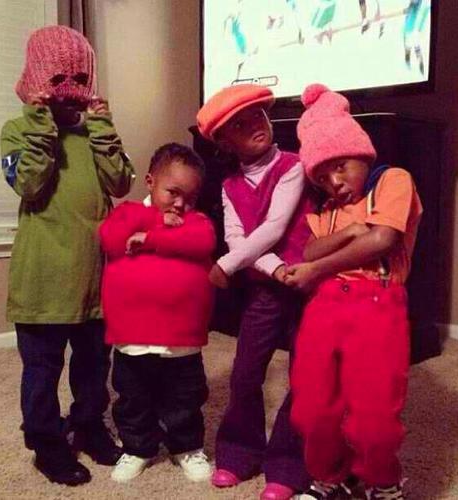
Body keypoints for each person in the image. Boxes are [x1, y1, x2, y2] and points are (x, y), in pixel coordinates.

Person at [0, 26, 134, 485]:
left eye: (80, 78)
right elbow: (29, 183)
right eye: (58, 78)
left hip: (96, 281)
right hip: (42, 283)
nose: (70, 89)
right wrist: (40, 123)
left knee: (94, 366)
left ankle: (89, 425)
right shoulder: (17, 130)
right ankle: (45, 441)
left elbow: (121, 183)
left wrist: (102, 127)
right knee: (42, 370)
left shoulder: (93, 133)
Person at [285, 83, 423, 500]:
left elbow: (382, 239)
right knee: (311, 408)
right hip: (325, 307)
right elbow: (310, 247)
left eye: (340, 166)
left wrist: (315, 270)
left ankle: (382, 481)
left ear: (360, 153)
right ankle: (330, 475)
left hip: (377, 305)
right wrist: (349, 231)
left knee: (374, 416)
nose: (335, 182)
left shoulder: (392, 180)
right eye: (322, 176)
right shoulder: (328, 208)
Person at [196, 84, 313, 500]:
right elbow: (236, 238)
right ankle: (239, 452)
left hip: (306, 285)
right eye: (239, 125)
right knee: (245, 372)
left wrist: (227, 266)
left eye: (257, 116)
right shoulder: (229, 186)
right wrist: (273, 268)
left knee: (306, 376)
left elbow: (274, 228)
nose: (254, 127)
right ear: (225, 142)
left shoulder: (294, 166)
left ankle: (288, 464)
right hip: (266, 289)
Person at [99, 143, 216, 484]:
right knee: (133, 398)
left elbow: (204, 241)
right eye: (173, 192)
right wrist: (156, 220)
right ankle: (138, 447)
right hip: (132, 335)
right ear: (150, 181)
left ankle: (187, 446)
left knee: (185, 398)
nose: (180, 204)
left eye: (189, 197)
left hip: (182, 338)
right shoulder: (129, 212)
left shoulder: (196, 221)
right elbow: (110, 238)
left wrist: (151, 237)